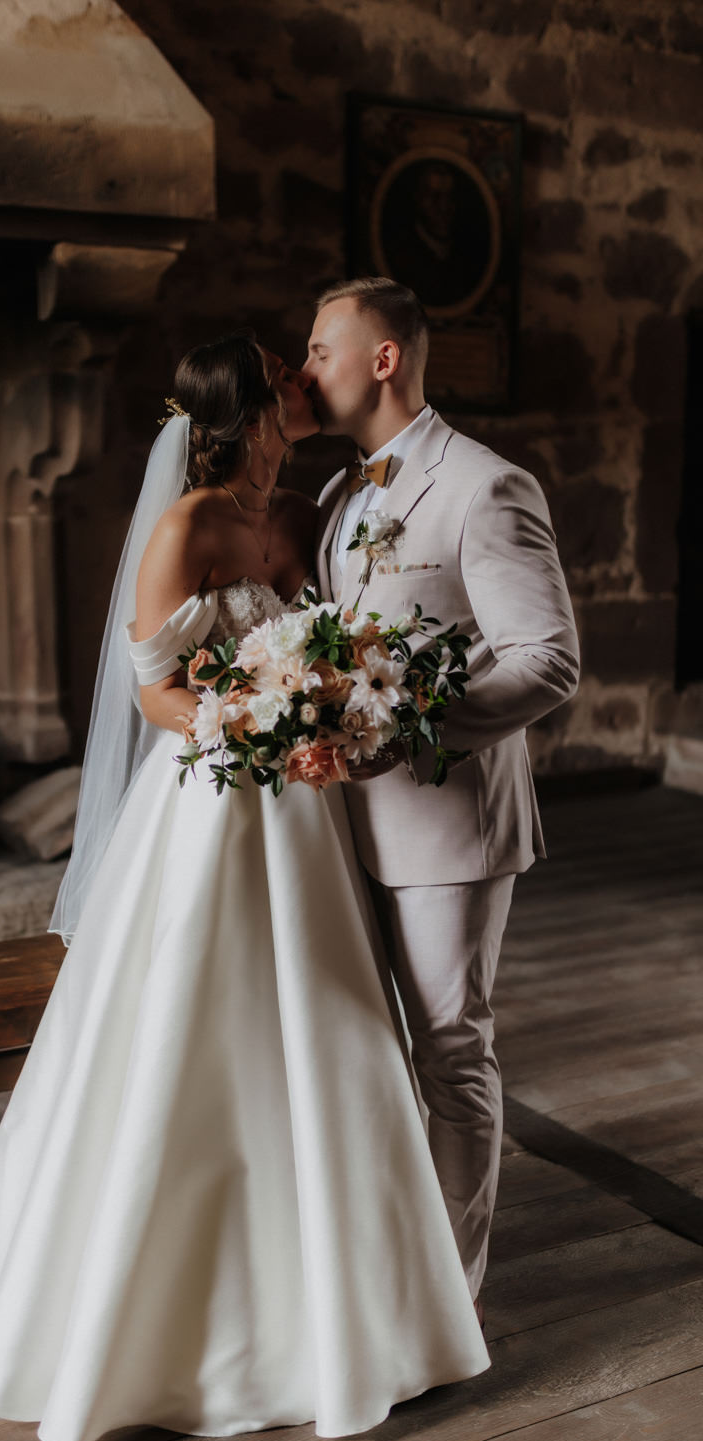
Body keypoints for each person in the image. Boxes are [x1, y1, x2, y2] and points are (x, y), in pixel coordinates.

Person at [0, 331, 489, 1441]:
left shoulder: (298, 520)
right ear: (250, 416)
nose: (302, 398)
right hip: (210, 808)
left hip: (303, 819)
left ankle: (346, 1297)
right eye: (287, 391)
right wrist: (250, 725)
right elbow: (151, 694)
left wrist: (317, 716)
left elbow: (322, 645)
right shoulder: (184, 526)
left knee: (326, 1033)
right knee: (186, 1025)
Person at [303, 277, 580, 1322]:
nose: (307, 364)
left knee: (452, 1050)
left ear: (384, 358)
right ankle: (380, 1273)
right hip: (342, 832)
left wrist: (396, 728)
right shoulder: (337, 499)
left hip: (451, 826)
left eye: (323, 345)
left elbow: (547, 662)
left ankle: (442, 1308)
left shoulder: (485, 485)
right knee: (375, 1056)